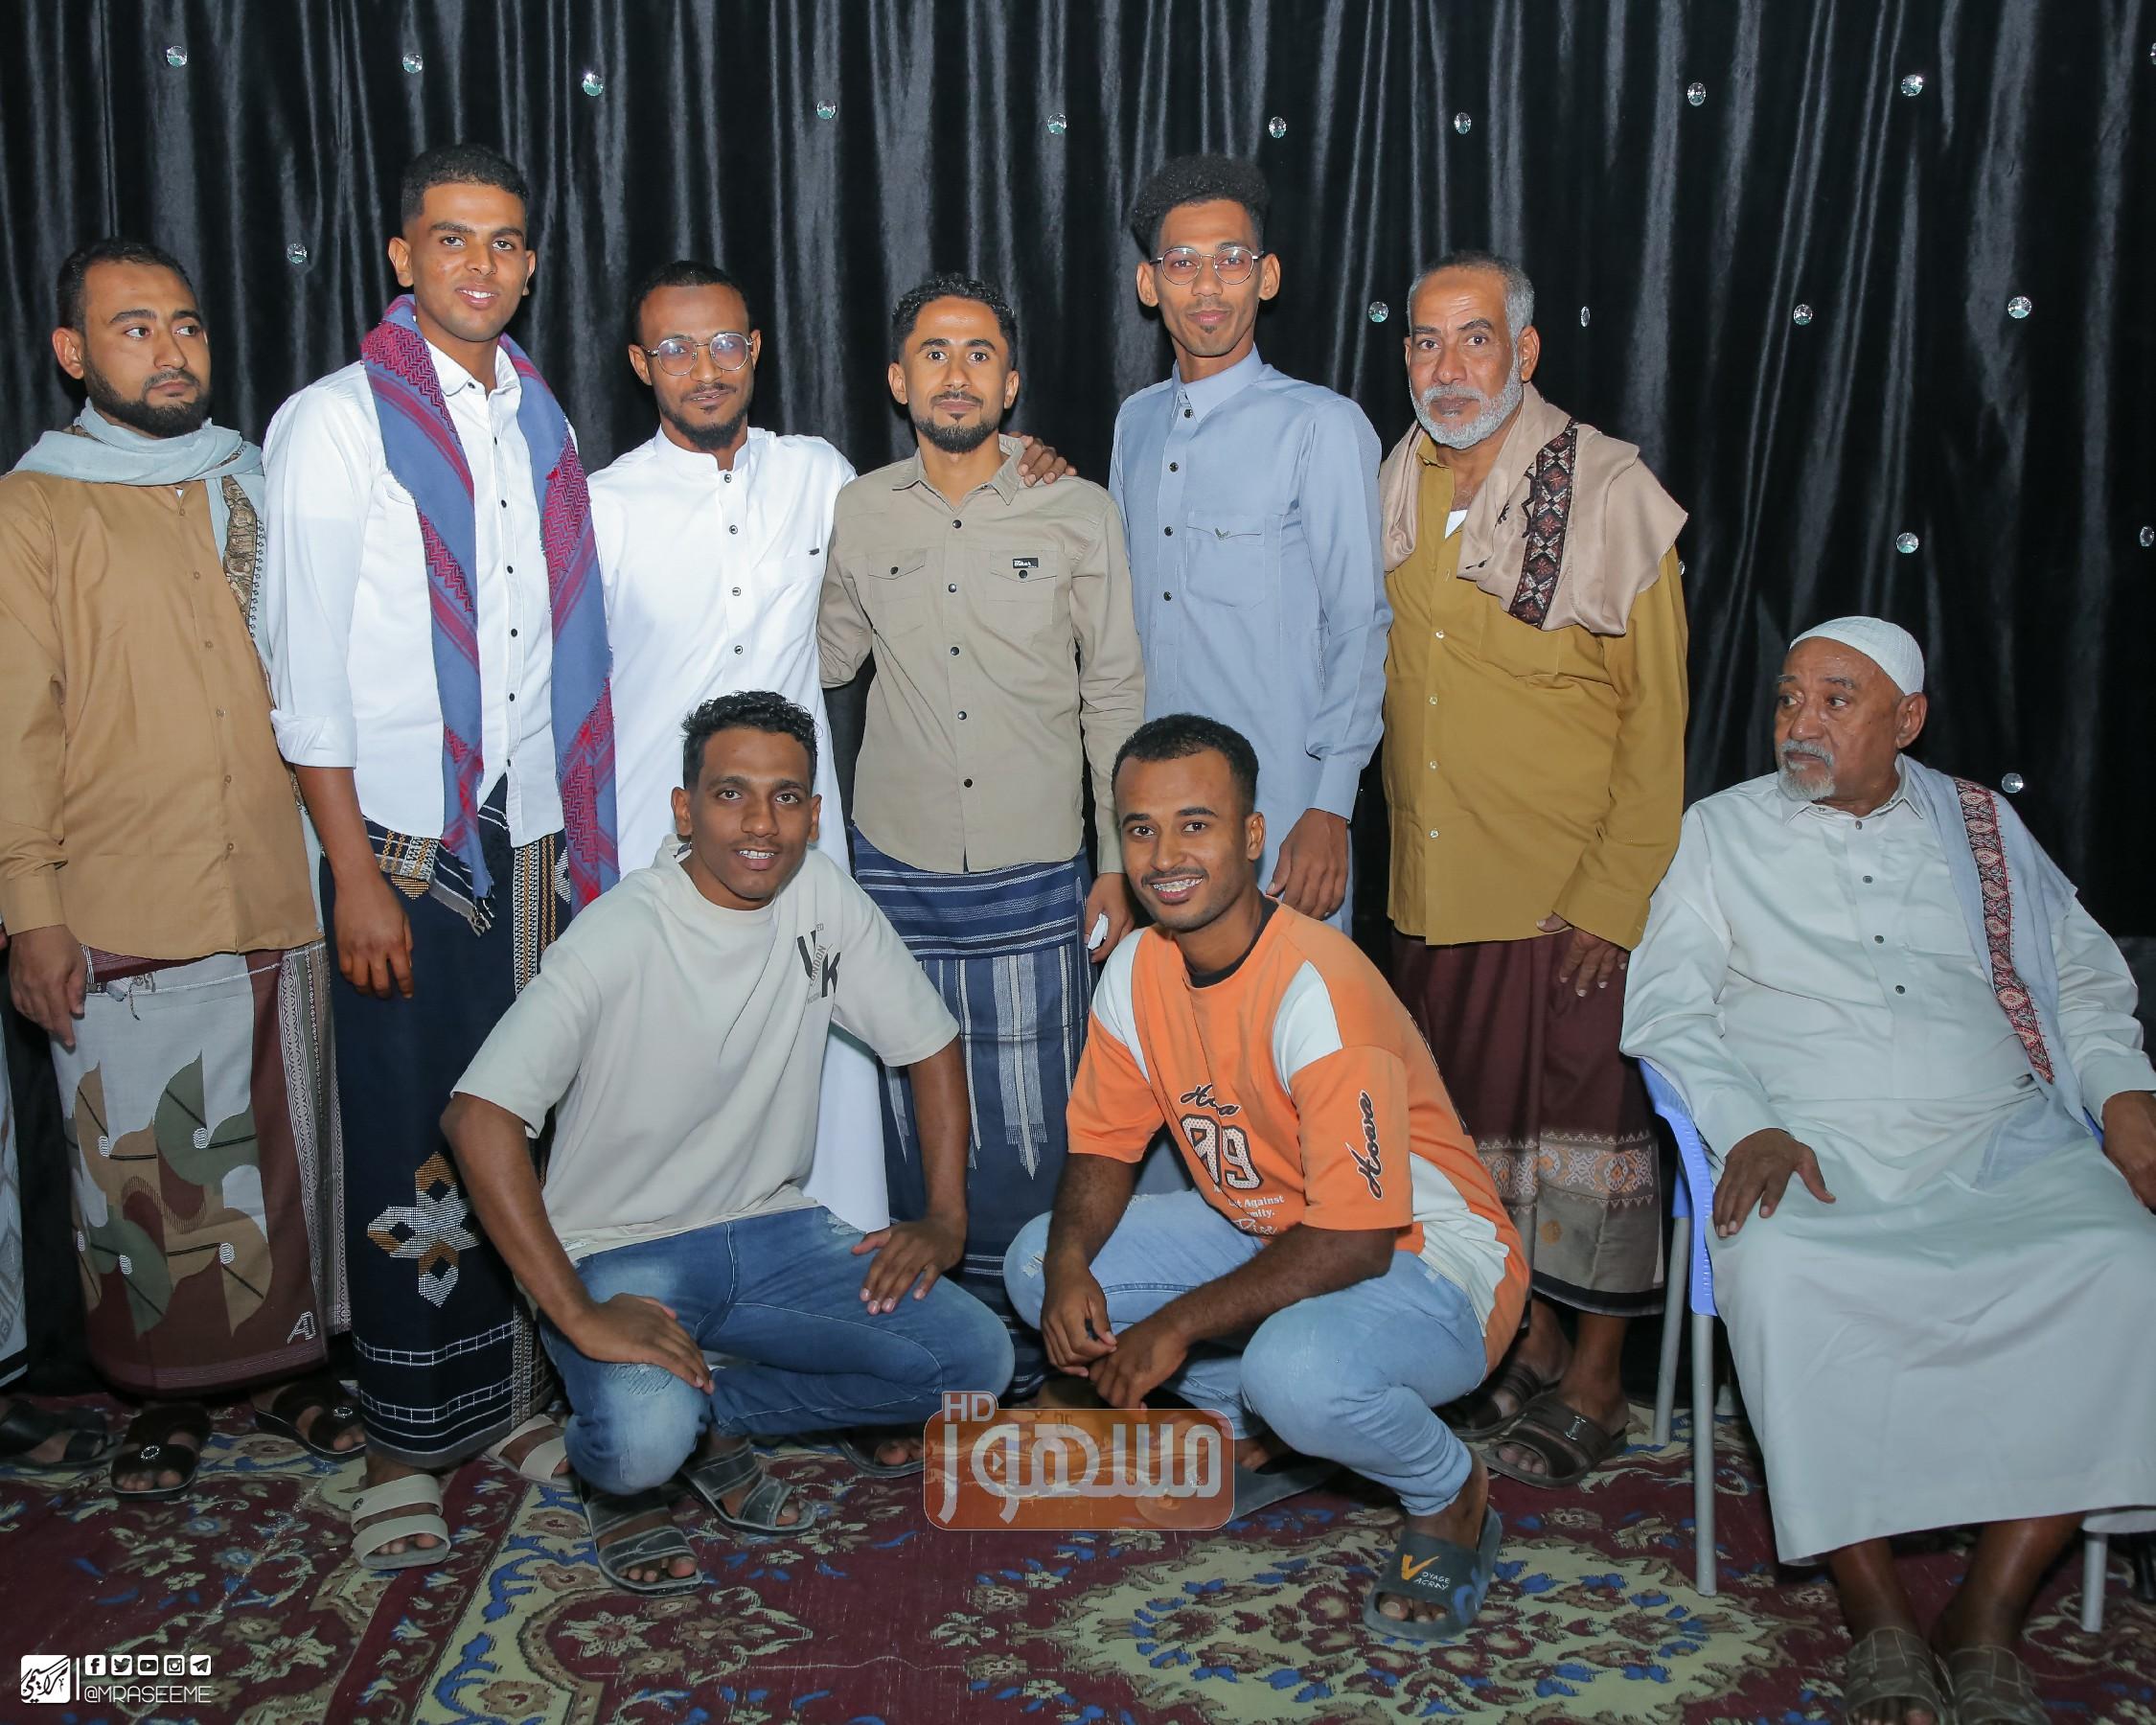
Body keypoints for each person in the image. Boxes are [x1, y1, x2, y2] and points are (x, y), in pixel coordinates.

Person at [1622, 617, 2156, 1725]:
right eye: (1788, 697)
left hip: (2001, 1132)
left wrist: (2122, 1097)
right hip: (1812, 1143)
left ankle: (1988, 1610)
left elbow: (2083, 978)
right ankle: (1877, 1613)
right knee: (1788, 1272)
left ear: (1907, 719)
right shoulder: (1723, 831)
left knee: (2128, 1263)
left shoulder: (1981, 825)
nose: (1800, 723)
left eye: (1836, 699)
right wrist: (1746, 1124)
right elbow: (1668, 1006)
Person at [443, 691, 1012, 1593]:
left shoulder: (820, 893)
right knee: (639, 1442)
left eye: (785, 798)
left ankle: (710, 1423)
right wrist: (577, 1311)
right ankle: (624, 1470)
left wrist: (946, 1217)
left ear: (814, 816)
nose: (760, 823)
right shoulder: (622, 931)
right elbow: (477, 1117)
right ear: (685, 809)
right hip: (620, 1250)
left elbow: (930, 1043)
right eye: (730, 794)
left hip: (773, 1231)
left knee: (977, 1362)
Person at [262, 145, 615, 1566]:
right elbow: (303, 679)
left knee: (516, 1125)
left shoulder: (542, 417)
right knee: (405, 1134)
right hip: (403, 846)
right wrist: (352, 871)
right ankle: (400, 1439)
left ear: (529, 265)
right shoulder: (333, 423)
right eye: (452, 239)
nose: (481, 263)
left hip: (526, 839)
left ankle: (511, 1403)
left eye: (506, 241)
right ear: (403, 257)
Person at [588, 260, 1073, 1270]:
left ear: (757, 351)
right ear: (641, 365)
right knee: (666, 1085)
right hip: (656, 841)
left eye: (726, 344)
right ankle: (665, 1293)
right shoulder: (602, 506)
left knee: (831, 1073)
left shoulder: (818, 477)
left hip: (803, 849)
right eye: (676, 349)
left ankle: (847, 1291)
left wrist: (1023, 457)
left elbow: (933, 498)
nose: (706, 369)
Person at [1004, 715, 1527, 1642]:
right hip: (1268, 1230)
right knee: (1038, 1263)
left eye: (1196, 825)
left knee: (1295, 1369)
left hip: (1433, 1263)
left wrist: (1174, 1325)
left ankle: (1447, 1490)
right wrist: (1072, 1263)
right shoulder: (1137, 968)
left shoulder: (1319, 986)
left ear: (1252, 836)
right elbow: (1104, 1148)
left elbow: (1356, 1240)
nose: (1167, 856)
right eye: (1141, 829)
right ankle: (1263, 1426)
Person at [0, 238, 351, 1499]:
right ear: (73, 352)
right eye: (134, 328)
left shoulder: (255, 483)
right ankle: (162, 1395)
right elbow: (14, 726)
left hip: (280, 881)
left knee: (290, 1152)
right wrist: (29, 911)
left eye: (187, 326)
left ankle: (297, 1371)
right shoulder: (35, 508)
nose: (170, 350)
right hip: (121, 896)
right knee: (147, 1167)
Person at [1378, 252, 1688, 1486]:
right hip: (1434, 886)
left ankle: (1601, 1379)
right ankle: (1528, 1342)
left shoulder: (1610, 490)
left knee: (1589, 1149)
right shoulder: (1397, 477)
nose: (1448, 368)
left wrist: (1616, 896)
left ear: (1526, 351)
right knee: (1472, 1149)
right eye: (1425, 341)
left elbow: (1658, 720)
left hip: (1566, 892)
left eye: (1474, 339)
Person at [819, 273, 1145, 1403]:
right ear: (897, 380)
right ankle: (936, 1353)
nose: (955, 374)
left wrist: (1117, 864)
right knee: (908, 1111)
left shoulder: (1078, 509)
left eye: (978, 354)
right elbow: (821, 656)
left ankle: (1038, 1348)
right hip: (893, 866)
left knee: (1035, 1114)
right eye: (933, 353)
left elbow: (1115, 694)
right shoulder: (858, 510)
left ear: (1010, 383)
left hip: (1036, 864)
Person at [1109, 155, 1387, 934]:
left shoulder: (1321, 426)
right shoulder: (1134, 424)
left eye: (1231, 260)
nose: (1208, 286)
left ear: (1267, 277)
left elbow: (1361, 624)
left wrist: (1331, 807)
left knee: (1294, 1011)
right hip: (1158, 824)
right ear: (1149, 284)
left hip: (1283, 820)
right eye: (1183, 263)